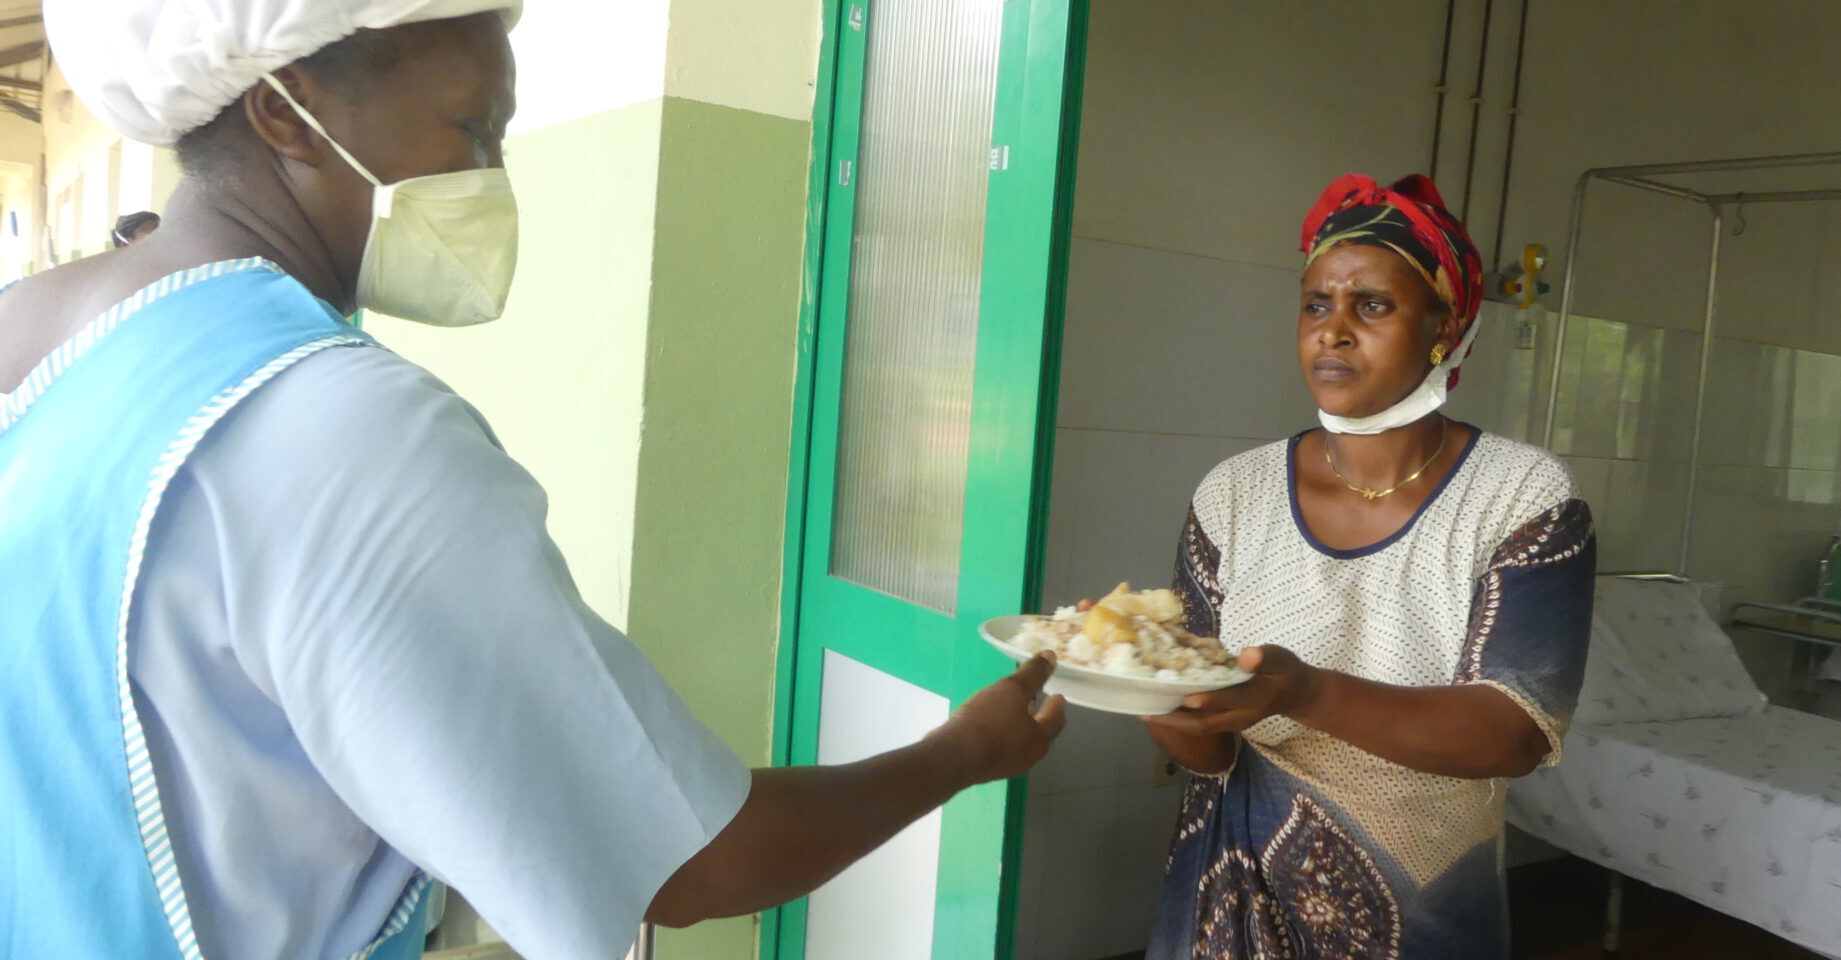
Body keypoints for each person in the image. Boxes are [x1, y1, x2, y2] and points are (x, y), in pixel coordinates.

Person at [1, 3, 1065, 959]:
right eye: (470, 130)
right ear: (288, 109)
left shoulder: (31, 339)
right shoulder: (343, 429)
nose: (488, 181)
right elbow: (689, 863)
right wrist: (963, 751)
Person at [1142, 173, 1596, 959]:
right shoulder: (1235, 493)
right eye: (1317, 303)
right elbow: (1208, 750)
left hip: (1418, 896)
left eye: (1372, 305)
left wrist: (1306, 691)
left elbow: (1513, 732)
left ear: (1445, 328)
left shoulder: (1521, 494)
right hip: (1228, 901)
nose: (1334, 331)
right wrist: (1148, 696)